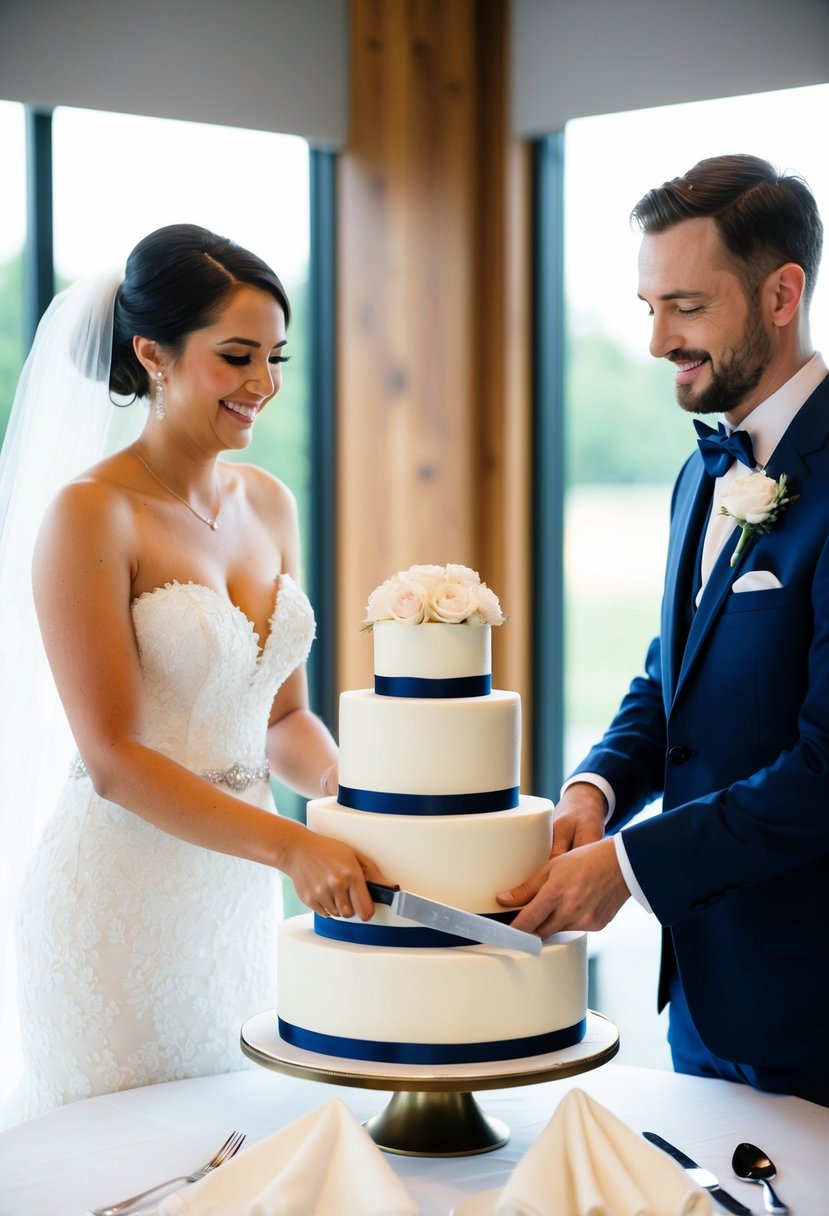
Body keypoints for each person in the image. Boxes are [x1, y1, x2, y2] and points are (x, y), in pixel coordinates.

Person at [0, 224, 381, 1123]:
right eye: (236, 357)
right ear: (152, 355)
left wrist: (344, 786)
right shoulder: (92, 515)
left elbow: (281, 718)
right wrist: (293, 846)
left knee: (233, 1147)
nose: (264, 385)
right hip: (118, 898)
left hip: (232, 894)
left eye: (275, 357)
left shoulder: (269, 504)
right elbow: (114, 758)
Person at [498, 154, 829, 1107]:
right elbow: (671, 674)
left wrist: (633, 869)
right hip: (705, 1002)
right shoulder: (700, 472)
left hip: (813, 1006)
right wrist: (599, 787)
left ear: (781, 292)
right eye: (647, 306)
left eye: (683, 306)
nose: (654, 342)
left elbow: (824, 767)